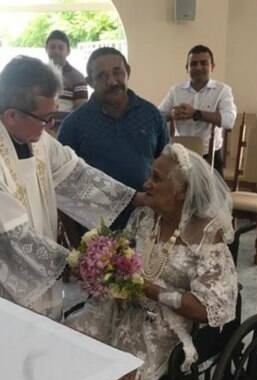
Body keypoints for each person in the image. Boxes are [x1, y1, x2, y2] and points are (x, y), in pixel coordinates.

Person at [0, 56, 138, 320]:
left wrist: (134, 199)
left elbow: (74, 174)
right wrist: (77, 264)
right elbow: (5, 237)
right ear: (12, 115)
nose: (50, 126)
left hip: (37, 276)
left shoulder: (33, 136)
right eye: (46, 118)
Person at [67, 143, 238, 380]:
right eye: (151, 175)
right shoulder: (145, 217)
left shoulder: (206, 236)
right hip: (121, 308)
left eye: (157, 178)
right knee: (73, 346)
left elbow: (209, 308)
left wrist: (148, 288)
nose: (147, 184)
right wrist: (103, 266)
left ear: (182, 191)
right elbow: (123, 257)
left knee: (124, 379)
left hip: (165, 326)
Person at [59, 47, 169, 230]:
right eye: (102, 76)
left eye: (117, 72)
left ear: (128, 72)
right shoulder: (73, 125)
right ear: (90, 82)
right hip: (94, 231)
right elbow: (63, 186)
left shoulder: (152, 115)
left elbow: (166, 169)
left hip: (145, 224)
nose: (112, 81)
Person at [158, 45, 236, 174]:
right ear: (187, 68)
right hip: (181, 156)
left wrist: (196, 114)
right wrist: (172, 114)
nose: (198, 67)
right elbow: (157, 116)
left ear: (212, 66)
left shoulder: (223, 90)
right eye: (193, 64)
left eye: (204, 63)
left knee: (212, 194)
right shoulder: (176, 91)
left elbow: (229, 120)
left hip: (210, 157)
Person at [45, 30, 88, 130]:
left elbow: (81, 113)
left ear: (68, 51)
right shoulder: (37, 75)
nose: (56, 51)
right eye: (52, 47)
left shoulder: (78, 78)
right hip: (40, 132)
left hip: (66, 132)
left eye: (60, 48)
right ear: (46, 49)